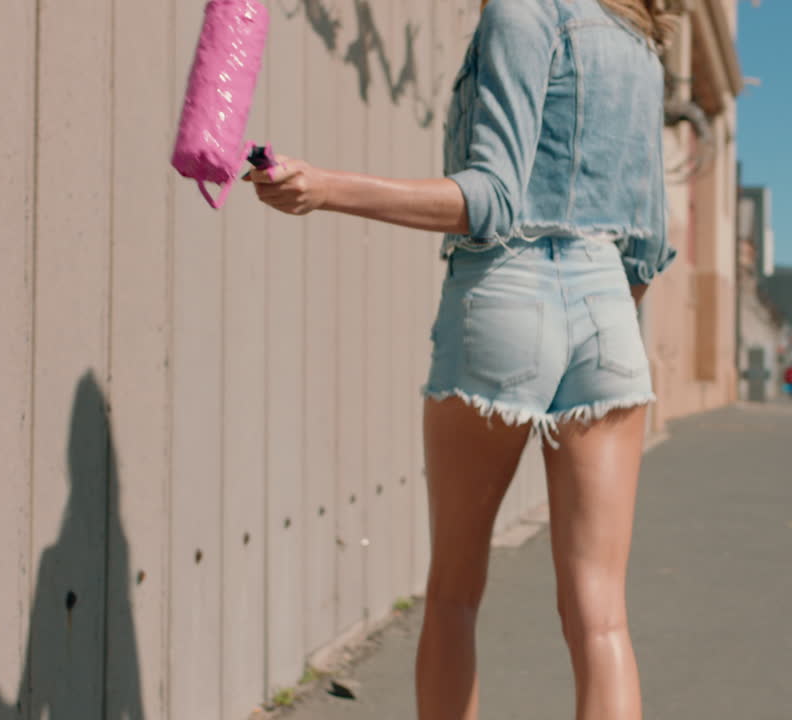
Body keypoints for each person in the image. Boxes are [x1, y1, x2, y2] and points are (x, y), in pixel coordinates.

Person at [245, 1, 675, 718]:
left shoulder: (523, 8)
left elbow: (493, 198)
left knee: (453, 594)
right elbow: (650, 241)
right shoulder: (637, 41)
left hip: (507, 295)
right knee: (601, 618)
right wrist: (595, 314)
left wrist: (322, 188)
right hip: (609, 310)